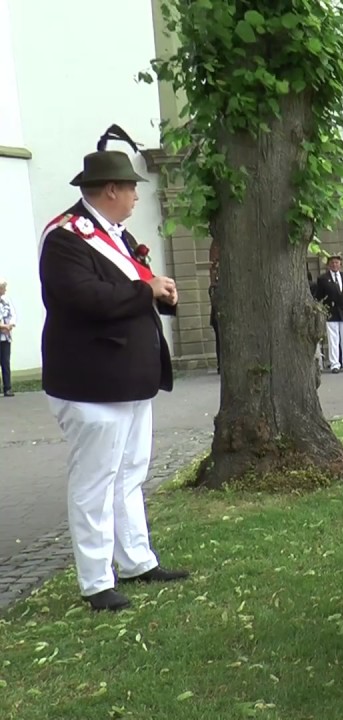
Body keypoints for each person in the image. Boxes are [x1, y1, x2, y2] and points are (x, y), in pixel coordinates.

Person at [39, 126, 188, 612]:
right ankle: (95, 579)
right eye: (131, 189)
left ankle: (137, 559)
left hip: (127, 379)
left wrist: (158, 294)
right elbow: (84, 297)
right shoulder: (66, 239)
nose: (134, 197)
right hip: (91, 382)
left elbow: (127, 293)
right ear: (109, 191)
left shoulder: (113, 236)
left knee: (128, 474)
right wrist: (145, 291)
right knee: (95, 481)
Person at [313, 254, 343, 373]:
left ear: (340, 264)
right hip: (332, 312)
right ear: (328, 265)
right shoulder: (323, 278)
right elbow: (319, 296)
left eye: (337, 262)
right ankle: (335, 364)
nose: (334, 265)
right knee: (333, 339)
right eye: (332, 263)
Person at [0, 279, 14, 396]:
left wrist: (10, 325)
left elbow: (12, 314)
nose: (5, 290)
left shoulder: (5, 302)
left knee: (6, 362)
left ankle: (7, 388)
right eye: (3, 287)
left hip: (5, 337)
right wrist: (2, 326)